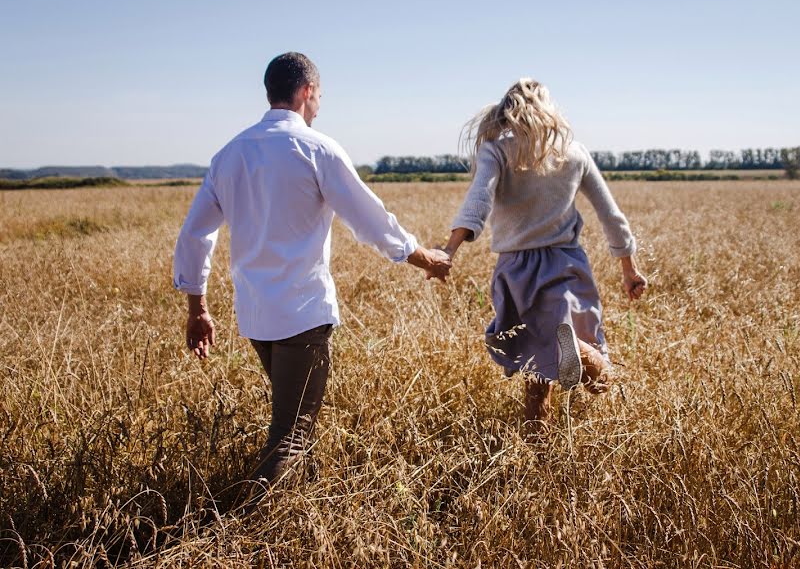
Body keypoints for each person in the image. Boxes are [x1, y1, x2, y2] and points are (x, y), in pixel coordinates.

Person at [172, 52, 451, 486]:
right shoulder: (317, 149)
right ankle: (240, 535)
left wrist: (198, 308)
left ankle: (300, 510)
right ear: (306, 92)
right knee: (291, 436)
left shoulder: (229, 155)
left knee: (295, 420)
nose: (319, 104)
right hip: (302, 315)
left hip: (257, 318)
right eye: (319, 95)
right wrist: (423, 258)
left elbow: (194, 235)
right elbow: (370, 219)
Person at [443, 78, 647, 429]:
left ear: (507, 110)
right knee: (552, 358)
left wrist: (448, 250)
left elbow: (478, 202)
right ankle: (591, 366)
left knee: (537, 359)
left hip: (518, 271)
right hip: (566, 264)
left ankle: (551, 399)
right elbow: (610, 214)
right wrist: (629, 269)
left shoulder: (497, 149)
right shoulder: (573, 151)